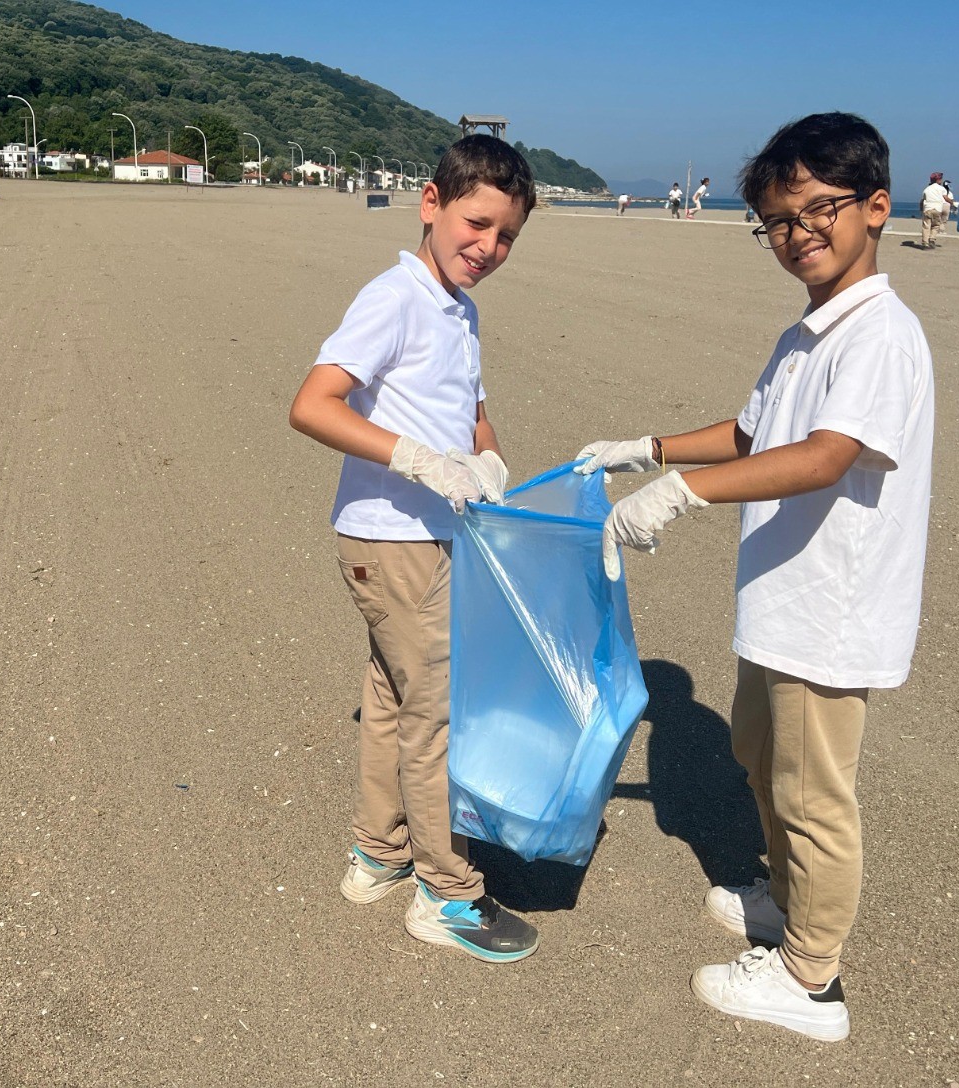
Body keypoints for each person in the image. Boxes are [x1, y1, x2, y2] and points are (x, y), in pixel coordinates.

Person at [573, 111, 934, 1041]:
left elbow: (825, 455)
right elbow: (753, 434)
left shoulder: (880, 336)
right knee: (757, 760)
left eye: (821, 208)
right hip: (781, 600)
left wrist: (681, 495)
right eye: (778, 219)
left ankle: (812, 982)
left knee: (813, 795)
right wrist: (643, 448)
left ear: (878, 208)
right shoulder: (808, 333)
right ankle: (783, 905)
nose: (799, 232)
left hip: (832, 611)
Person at [288, 134, 541, 964]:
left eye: (505, 236)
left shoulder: (458, 308)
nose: (488, 248)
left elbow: (470, 411)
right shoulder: (395, 296)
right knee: (438, 714)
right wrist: (416, 459)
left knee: (394, 698)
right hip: (390, 539)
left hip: (427, 537)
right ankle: (446, 893)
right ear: (430, 203)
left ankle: (378, 853)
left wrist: (484, 455)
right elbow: (314, 404)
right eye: (475, 224)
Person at [919, 171, 953, 248]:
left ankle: (925, 243)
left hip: (927, 209)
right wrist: (952, 202)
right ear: (938, 180)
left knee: (926, 226)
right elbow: (946, 198)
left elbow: (922, 200)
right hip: (937, 209)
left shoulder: (926, 189)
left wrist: (921, 209)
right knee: (936, 226)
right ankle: (932, 239)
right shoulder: (941, 189)